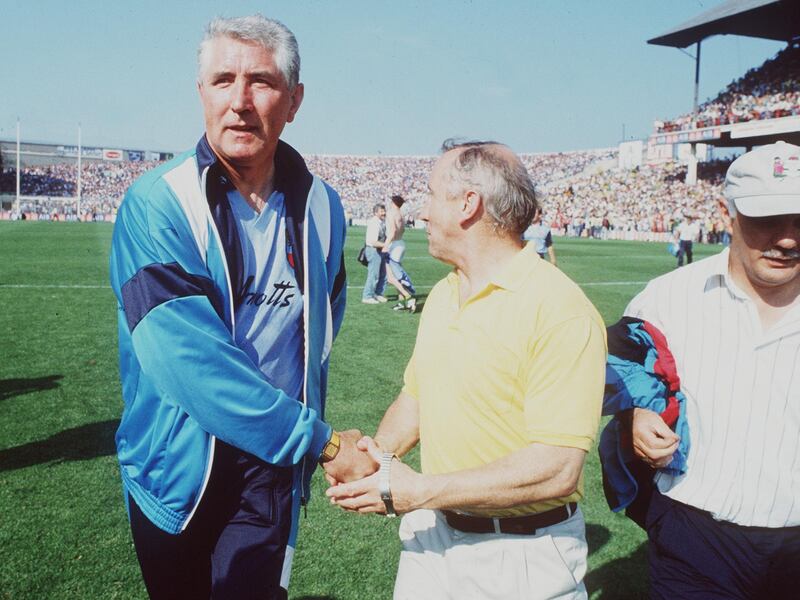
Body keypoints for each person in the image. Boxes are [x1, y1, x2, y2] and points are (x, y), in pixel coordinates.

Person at [109, 15, 373, 599]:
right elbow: (189, 364)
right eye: (223, 80)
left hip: (269, 470)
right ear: (200, 92)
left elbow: (323, 325)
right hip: (174, 464)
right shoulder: (157, 203)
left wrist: (289, 437)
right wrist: (323, 443)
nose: (240, 102)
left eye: (261, 81)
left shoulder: (325, 207)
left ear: (295, 100)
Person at [328, 140, 607, 599]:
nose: (421, 212)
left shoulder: (560, 310)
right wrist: (374, 457)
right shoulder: (443, 293)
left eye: (432, 195)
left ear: (468, 204)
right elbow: (416, 398)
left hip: (520, 555)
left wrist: (418, 490)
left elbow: (556, 469)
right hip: (433, 538)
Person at [601, 141, 800, 599]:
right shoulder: (666, 298)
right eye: (768, 219)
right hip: (696, 539)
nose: (787, 238)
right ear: (726, 214)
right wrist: (634, 417)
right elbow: (622, 374)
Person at [383, 194, 417, 312]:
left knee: (391, 278)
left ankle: (408, 297)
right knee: (396, 276)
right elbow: (401, 229)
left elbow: (392, 232)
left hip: (394, 245)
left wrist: (386, 245)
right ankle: (402, 302)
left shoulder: (391, 213)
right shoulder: (401, 214)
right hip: (400, 243)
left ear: (393, 203)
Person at [362, 202, 388, 304]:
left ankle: (378, 293)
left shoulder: (381, 222)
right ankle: (367, 296)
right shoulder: (374, 223)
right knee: (374, 274)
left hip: (380, 250)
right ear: (375, 212)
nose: (384, 213)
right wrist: (386, 245)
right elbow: (373, 241)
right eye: (381, 211)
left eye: (384, 210)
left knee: (383, 274)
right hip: (374, 250)